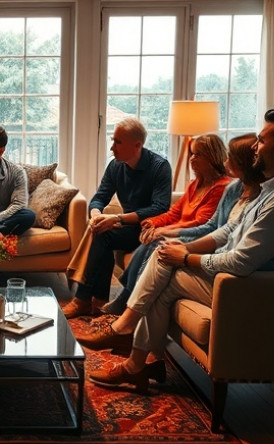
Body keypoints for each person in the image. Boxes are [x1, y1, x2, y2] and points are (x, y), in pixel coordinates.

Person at [83, 110, 274, 391]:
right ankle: (138, 359)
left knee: (165, 270)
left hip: (255, 290)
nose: (255, 147)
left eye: (260, 141)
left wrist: (185, 257)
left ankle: (127, 334)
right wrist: (182, 247)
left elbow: (241, 261)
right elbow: (229, 230)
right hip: (243, 280)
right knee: (164, 261)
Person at [99, 134, 231, 315]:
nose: (192, 159)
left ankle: (126, 298)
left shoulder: (222, 187)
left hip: (197, 237)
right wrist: (152, 222)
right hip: (179, 232)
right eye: (192, 154)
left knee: (156, 243)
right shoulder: (195, 185)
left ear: (212, 157)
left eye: (198, 155)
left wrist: (164, 231)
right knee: (148, 238)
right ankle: (126, 297)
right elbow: (174, 212)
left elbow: (202, 223)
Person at [61, 118, 172, 319]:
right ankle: (99, 301)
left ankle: (83, 299)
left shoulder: (159, 167)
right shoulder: (115, 166)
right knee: (101, 231)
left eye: (118, 142)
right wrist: (96, 215)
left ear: (137, 145)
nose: (112, 148)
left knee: (105, 234)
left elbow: (160, 208)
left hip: (148, 228)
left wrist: (118, 218)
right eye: (113, 141)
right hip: (127, 225)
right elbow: (100, 197)